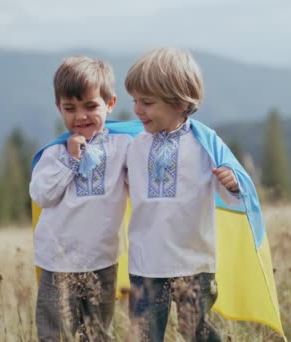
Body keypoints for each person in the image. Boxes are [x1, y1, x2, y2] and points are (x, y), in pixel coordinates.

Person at [124, 47, 243, 342]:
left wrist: (231, 183)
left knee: (196, 331)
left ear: (178, 102)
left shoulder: (204, 144)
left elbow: (236, 198)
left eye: (147, 102)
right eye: (135, 101)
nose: (137, 110)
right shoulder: (134, 146)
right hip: (145, 262)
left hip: (193, 263)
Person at [30, 56, 131, 341]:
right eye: (70, 108)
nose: (80, 116)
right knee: (55, 334)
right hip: (57, 262)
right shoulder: (54, 154)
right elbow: (42, 195)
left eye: (91, 106)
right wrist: (71, 161)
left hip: (102, 260)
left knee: (97, 333)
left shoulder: (123, 147)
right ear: (58, 107)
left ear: (110, 104)